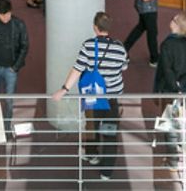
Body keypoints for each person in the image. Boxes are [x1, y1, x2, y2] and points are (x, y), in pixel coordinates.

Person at [51, 12, 129, 183]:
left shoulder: (88, 46)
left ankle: (91, 154)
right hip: (111, 97)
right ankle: (106, 171)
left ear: (95, 28)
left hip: (93, 96)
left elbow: (77, 69)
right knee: (110, 132)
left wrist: (64, 89)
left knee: (92, 125)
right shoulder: (119, 47)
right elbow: (123, 67)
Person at [0, 0, 29, 128]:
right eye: (3, 15)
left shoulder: (19, 24)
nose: (6, 17)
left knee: (9, 100)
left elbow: (25, 46)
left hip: (11, 69)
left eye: (8, 14)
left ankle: (7, 127)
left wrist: (16, 67)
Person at [155, 13, 186, 94]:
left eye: (173, 19)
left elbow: (167, 69)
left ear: (176, 25)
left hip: (168, 88)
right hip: (185, 86)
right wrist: (181, 82)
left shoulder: (166, 45)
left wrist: (175, 86)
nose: (171, 20)